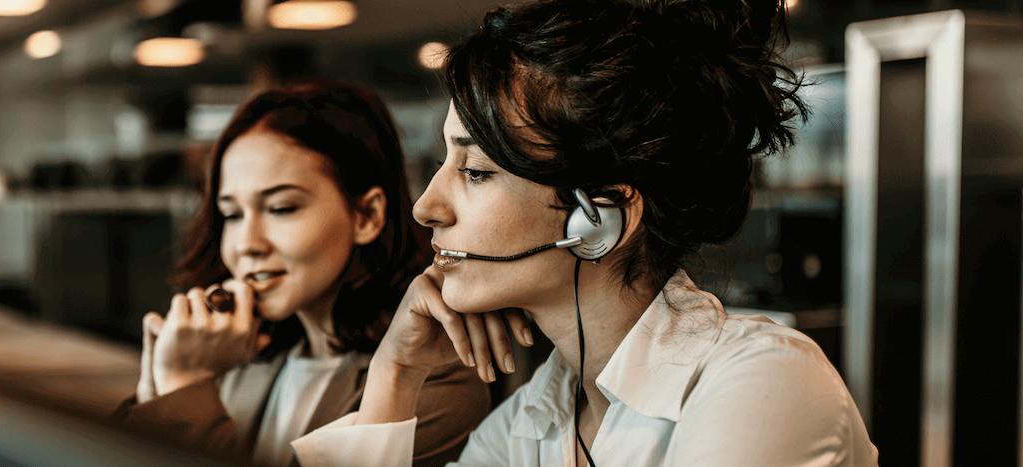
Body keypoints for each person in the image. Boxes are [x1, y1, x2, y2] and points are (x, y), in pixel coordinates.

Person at [288, 1, 879, 466]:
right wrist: (394, 376)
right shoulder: (532, 421)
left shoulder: (760, 384)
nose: (425, 208)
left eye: (475, 171)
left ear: (597, 219)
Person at [111, 79, 490, 467]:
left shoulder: (431, 379)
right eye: (232, 215)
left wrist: (185, 388)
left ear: (366, 215)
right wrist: (154, 388)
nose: (247, 244)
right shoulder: (240, 354)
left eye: (281, 208)